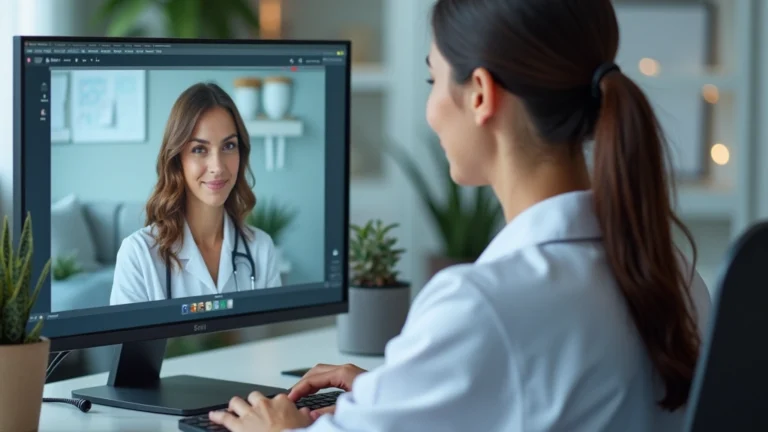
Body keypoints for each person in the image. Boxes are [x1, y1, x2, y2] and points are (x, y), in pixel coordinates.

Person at [209, 0, 712, 430]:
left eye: (433, 77)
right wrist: (402, 390)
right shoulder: (674, 277)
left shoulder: (482, 306)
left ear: (479, 94)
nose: (430, 107)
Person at [110, 82, 282, 305]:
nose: (217, 167)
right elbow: (130, 341)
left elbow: (273, 337)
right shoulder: (138, 255)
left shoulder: (261, 248)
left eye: (229, 146)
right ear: (177, 160)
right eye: (200, 149)